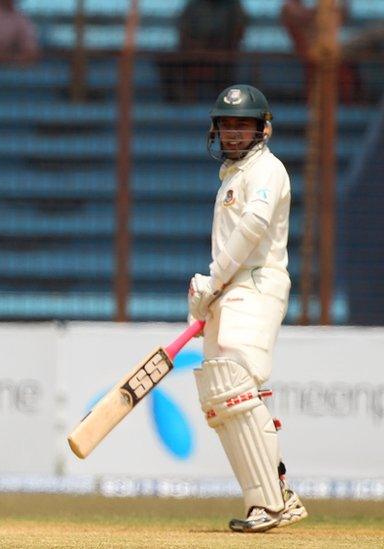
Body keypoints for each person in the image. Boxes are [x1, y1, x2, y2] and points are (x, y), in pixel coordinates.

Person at [188, 84, 307, 533]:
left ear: (263, 129)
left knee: (236, 374)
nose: (234, 134)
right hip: (230, 287)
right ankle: (275, 496)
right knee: (220, 394)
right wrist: (203, 301)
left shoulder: (268, 170)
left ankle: (272, 504)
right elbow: (229, 247)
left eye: (243, 125)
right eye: (226, 125)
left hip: (256, 284)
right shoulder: (233, 177)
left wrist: (215, 278)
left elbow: (255, 228)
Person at [160, 0, 247, 103]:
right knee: (166, 61)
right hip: (194, 53)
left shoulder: (232, 5)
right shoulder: (193, 5)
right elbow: (183, 31)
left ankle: (224, 101)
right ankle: (180, 101)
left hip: (222, 55)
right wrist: (197, 50)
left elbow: (238, 32)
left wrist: (215, 51)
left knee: (223, 68)